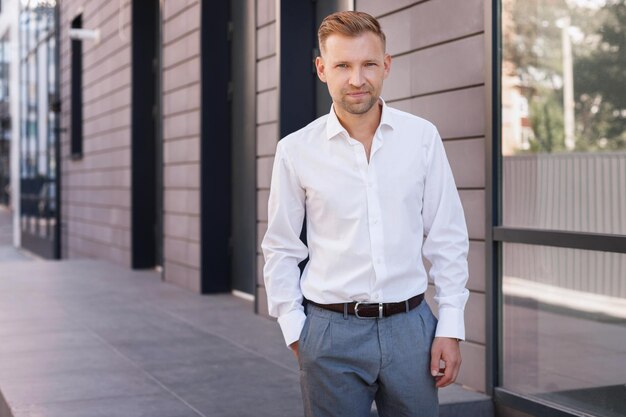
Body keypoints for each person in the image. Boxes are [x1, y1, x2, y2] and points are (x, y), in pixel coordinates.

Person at [261, 10, 469, 417]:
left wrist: (451, 325)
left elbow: (447, 236)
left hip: (412, 328)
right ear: (322, 69)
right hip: (329, 333)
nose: (357, 79)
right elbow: (281, 247)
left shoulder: (421, 138)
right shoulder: (295, 150)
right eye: (343, 65)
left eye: (368, 64)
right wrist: (296, 331)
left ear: (386, 66)